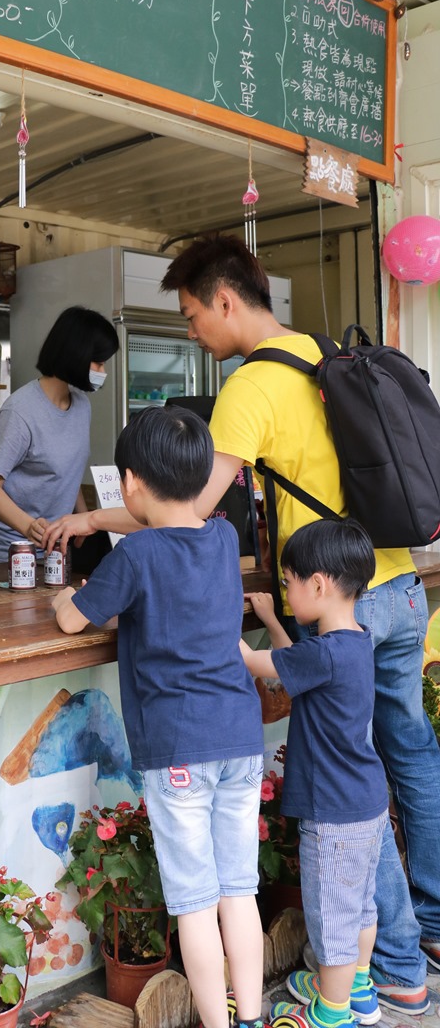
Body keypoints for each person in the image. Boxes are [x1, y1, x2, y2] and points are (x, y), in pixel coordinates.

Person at [43, 233, 440, 1013]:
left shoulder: (253, 385)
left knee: (358, 789)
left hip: (334, 610)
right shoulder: (321, 352)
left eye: (193, 316)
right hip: (397, 587)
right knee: (404, 765)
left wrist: (93, 517)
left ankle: (390, 962)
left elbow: (182, 503)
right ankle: (424, 930)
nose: (193, 331)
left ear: (226, 301)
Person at [53, 407, 266, 1028]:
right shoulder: (223, 539)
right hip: (239, 737)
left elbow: (73, 619)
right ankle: (249, 1017)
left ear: (130, 483)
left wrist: (71, 593)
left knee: (196, 904)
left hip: (178, 748)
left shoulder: (137, 555)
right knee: (239, 893)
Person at [241, 519, 388, 1028]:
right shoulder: (353, 642)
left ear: (319, 585)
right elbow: (297, 664)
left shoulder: (323, 653)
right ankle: (360, 988)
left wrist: (223, 631)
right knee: (361, 907)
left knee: (332, 916)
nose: (284, 592)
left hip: (334, 815)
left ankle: (333, 1011)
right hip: (366, 804)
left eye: (288, 583)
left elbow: (264, 664)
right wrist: (273, 617)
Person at [0, 305, 119, 563]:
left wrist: (83, 517)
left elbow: (68, 470)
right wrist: (29, 527)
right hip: (12, 556)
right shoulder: (19, 412)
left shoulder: (81, 405)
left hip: (57, 552)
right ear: (77, 355)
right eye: (99, 362)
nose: (103, 371)